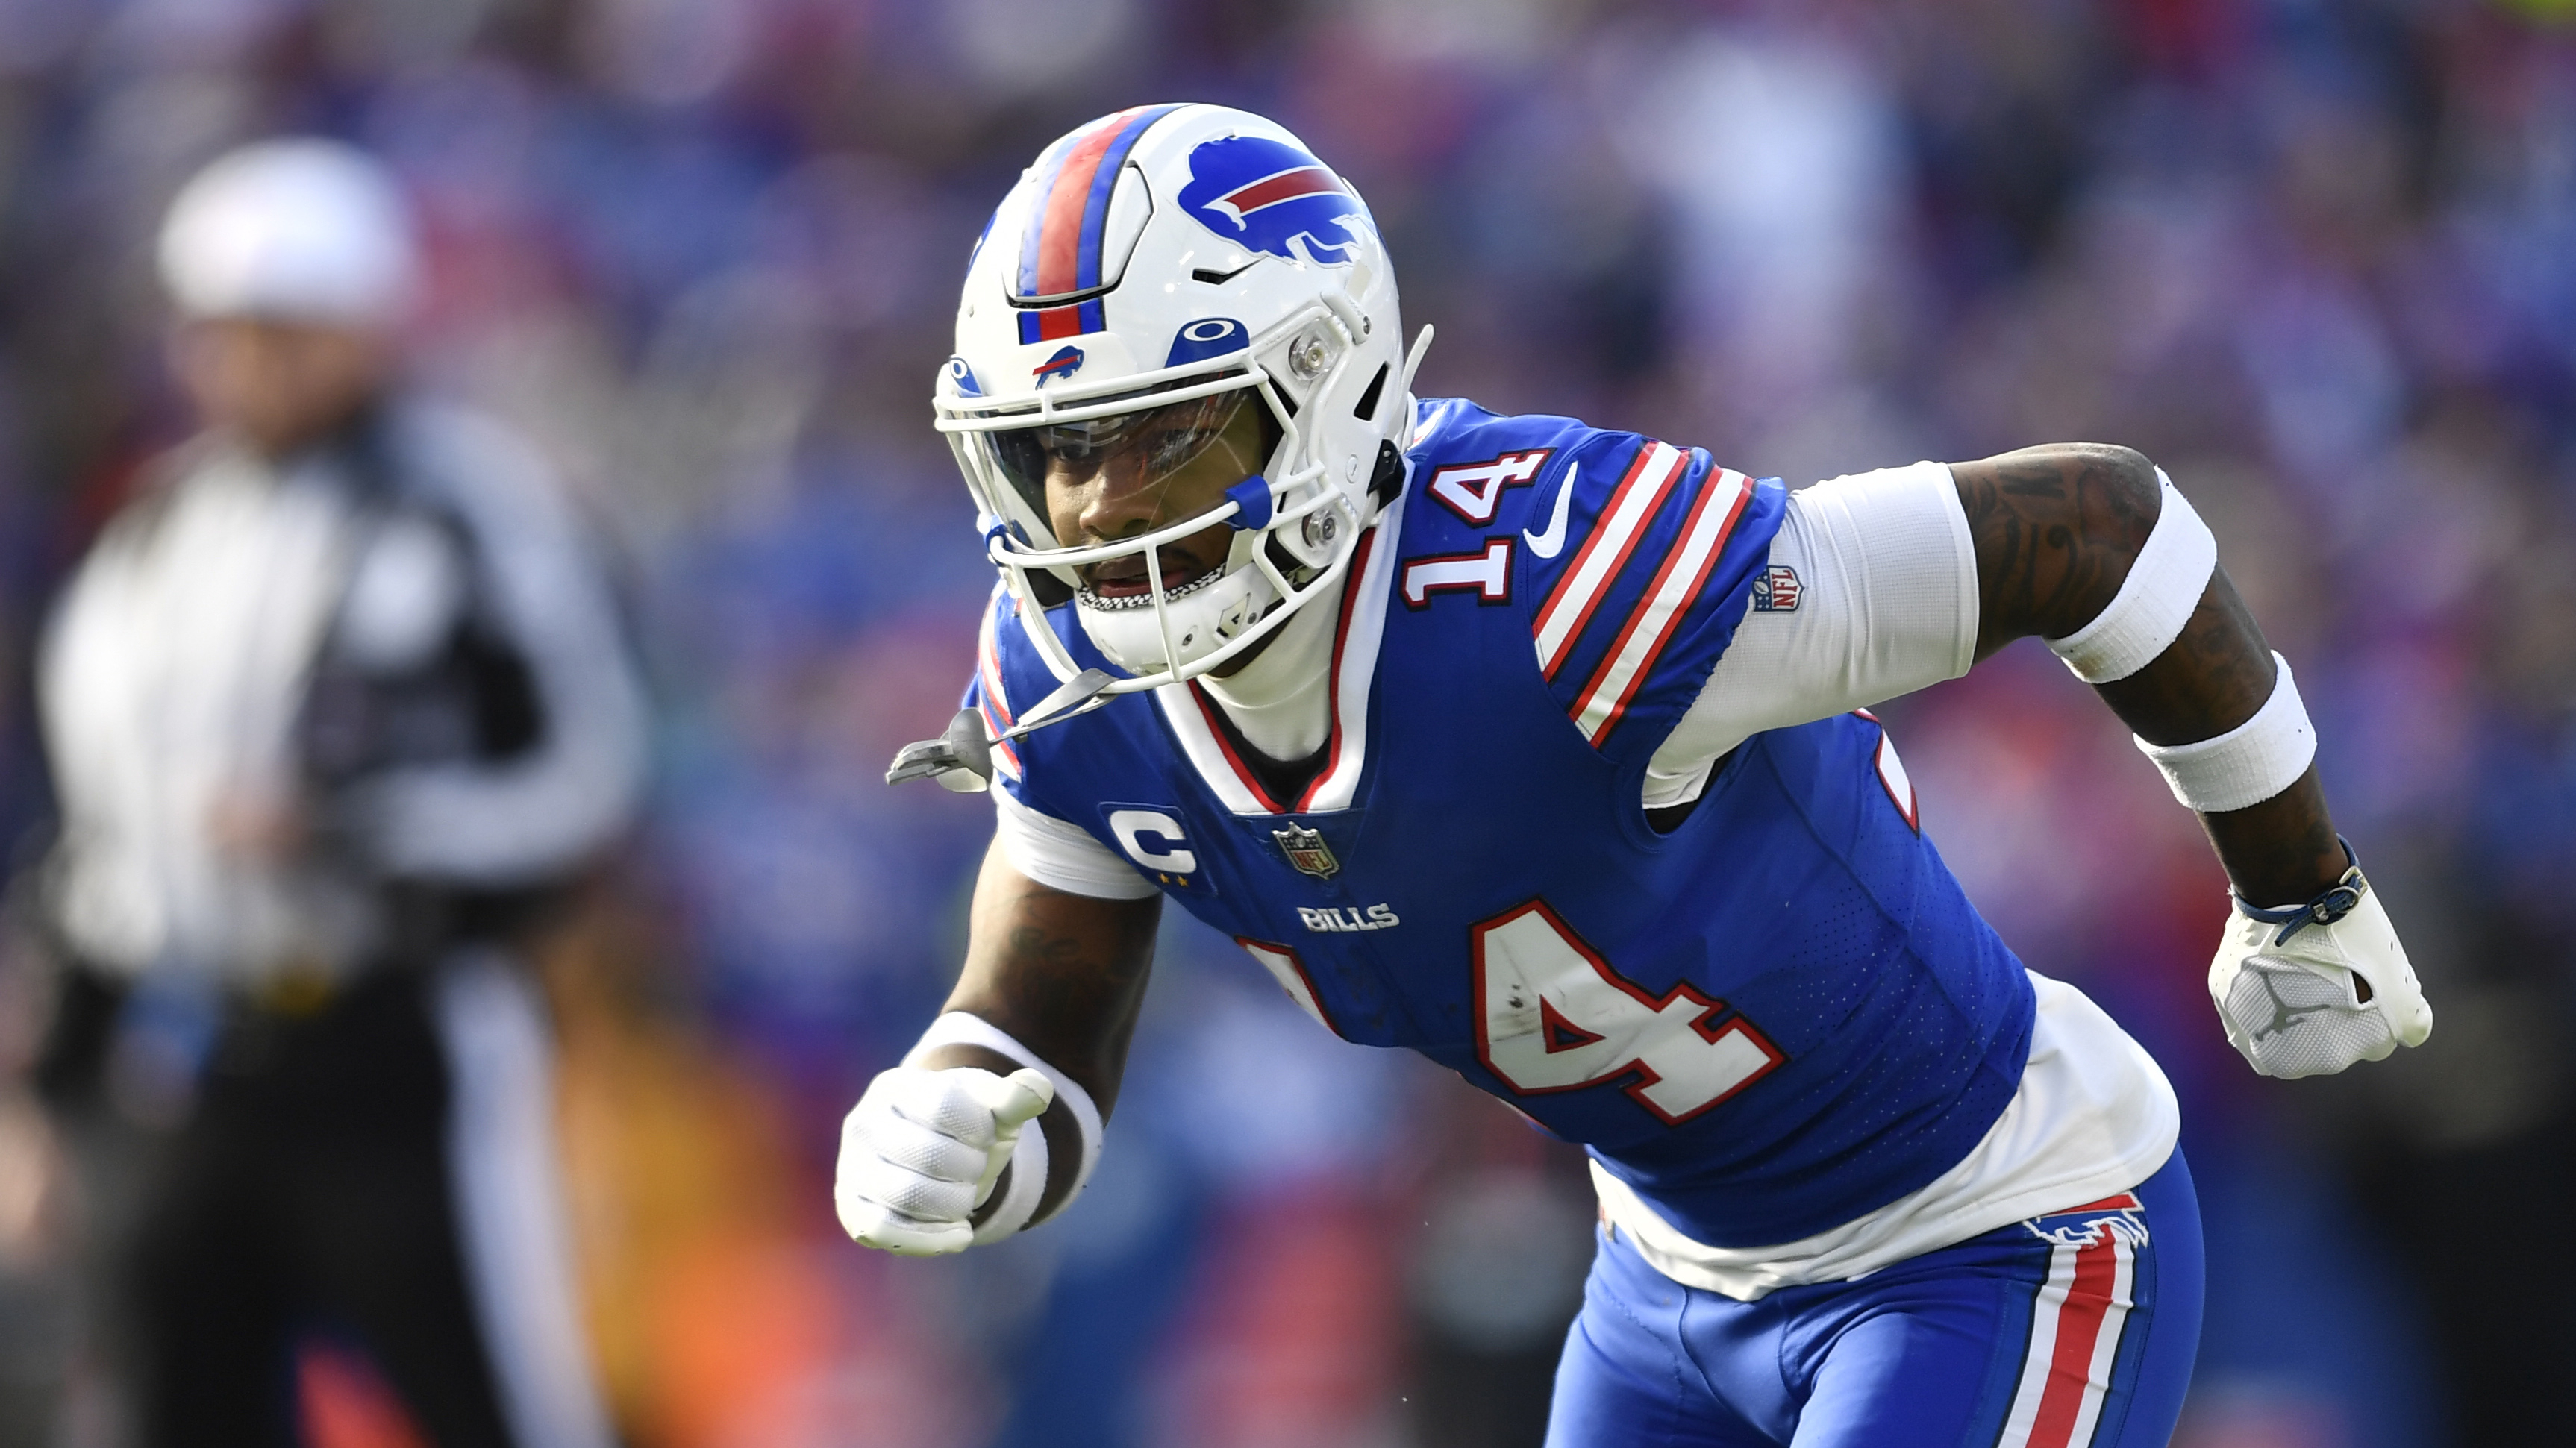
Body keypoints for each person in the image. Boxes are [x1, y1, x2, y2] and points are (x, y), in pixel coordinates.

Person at [835, 104, 2433, 1447]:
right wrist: (967, 1107)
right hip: (1664, 1284)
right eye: (1059, 449)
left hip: (1986, 1231)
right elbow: (1039, 1012)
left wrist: (2303, 886)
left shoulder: (1562, 576)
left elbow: (2095, 526)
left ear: (1318, 392)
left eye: (1164, 433)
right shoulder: (1064, 677)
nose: (1100, 509)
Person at [25, 138, 641, 1447]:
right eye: (227, 330)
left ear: (368, 324)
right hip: (176, 1062)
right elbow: (98, 836)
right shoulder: (155, 529)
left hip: (393, 1040)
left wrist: (364, 828)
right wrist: (48, 1081)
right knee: (159, 1410)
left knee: (494, 1407)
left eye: (289, 328)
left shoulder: (470, 503)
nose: (253, 361)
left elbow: (590, 771)